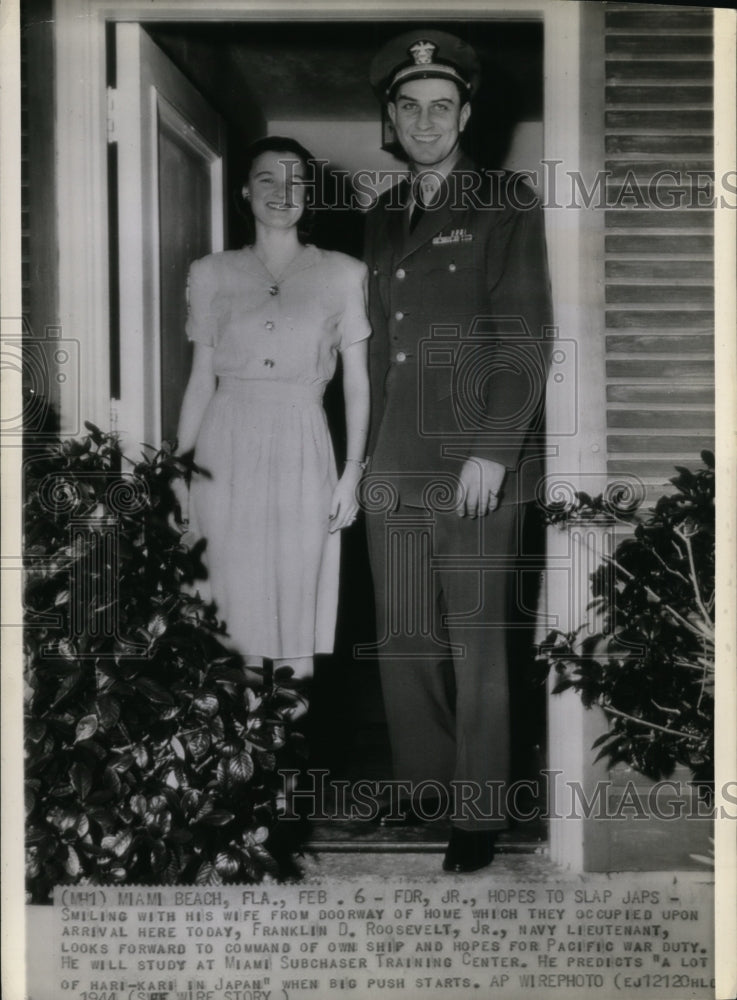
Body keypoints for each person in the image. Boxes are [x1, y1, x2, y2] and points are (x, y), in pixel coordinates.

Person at [363, 31, 552, 872]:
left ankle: (477, 813)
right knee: (405, 637)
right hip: (393, 460)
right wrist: (363, 458)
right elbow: (376, 352)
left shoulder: (502, 202)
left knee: (477, 641)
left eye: (443, 106)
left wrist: (493, 451)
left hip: (473, 461)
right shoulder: (377, 215)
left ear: (466, 114)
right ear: (392, 120)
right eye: (410, 106)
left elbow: (524, 336)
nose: (427, 121)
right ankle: (427, 788)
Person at [175, 136, 371, 717]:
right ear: (245, 191)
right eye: (267, 179)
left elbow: (356, 383)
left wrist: (351, 473)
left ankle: (285, 779)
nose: (282, 194)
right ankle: (235, 786)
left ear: (309, 196)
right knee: (227, 608)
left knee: (292, 603)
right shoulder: (211, 273)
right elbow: (198, 382)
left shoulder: (345, 273)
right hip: (224, 444)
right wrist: (179, 475)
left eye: (295, 182)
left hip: (303, 447)